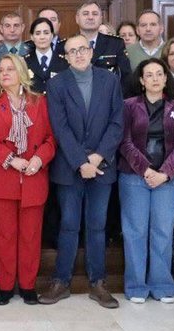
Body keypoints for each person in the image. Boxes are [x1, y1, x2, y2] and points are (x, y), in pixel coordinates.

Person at [39, 34, 124, 308]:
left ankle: (98, 283)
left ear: (91, 51)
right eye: (72, 51)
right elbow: (59, 127)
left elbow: (117, 123)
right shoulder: (56, 84)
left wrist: (97, 157)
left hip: (102, 167)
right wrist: (81, 162)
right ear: (64, 56)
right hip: (69, 167)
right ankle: (61, 282)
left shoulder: (109, 80)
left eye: (83, 49)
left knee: (97, 226)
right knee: (69, 225)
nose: (78, 54)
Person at [0, 54, 56, 305]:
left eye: (10, 69)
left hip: (33, 178)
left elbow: (51, 139)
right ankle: (5, 286)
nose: (5, 74)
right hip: (2, 177)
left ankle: (28, 285)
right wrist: (11, 159)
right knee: (4, 236)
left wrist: (38, 160)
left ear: (21, 71)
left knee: (31, 236)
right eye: (1, 70)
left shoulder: (39, 102)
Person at [117, 58, 174, 304]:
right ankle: (136, 286)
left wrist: (165, 172)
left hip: (167, 180)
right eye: (150, 75)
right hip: (133, 176)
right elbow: (124, 141)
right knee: (134, 232)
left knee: (162, 232)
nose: (155, 78)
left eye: (160, 74)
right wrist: (146, 170)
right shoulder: (128, 106)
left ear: (166, 78)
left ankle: (162, 285)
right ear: (141, 80)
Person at [72, 2, 130, 79]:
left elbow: (126, 77)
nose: (90, 17)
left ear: (101, 19)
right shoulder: (66, 45)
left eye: (95, 14)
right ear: (77, 18)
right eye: (85, 14)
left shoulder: (115, 44)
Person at [23, 17, 68, 94]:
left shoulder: (64, 61)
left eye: (46, 33)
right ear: (32, 37)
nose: (42, 37)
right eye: (38, 33)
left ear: (52, 36)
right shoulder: (24, 62)